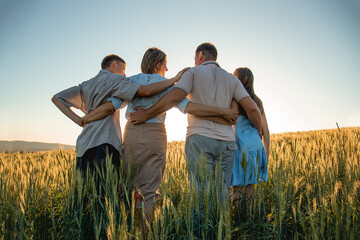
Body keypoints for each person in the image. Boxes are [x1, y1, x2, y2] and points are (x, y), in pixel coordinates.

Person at [83, 47, 238, 233]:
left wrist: (86, 119)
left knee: (132, 185)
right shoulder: (167, 84)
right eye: (165, 63)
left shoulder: (130, 81)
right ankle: (147, 233)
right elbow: (185, 106)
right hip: (155, 134)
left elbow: (113, 105)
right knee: (150, 189)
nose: (166, 68)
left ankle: (133, 232)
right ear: (157, 63)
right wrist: (222, 114)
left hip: (131, 132)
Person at [51, 54, 188, 238]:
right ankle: (140, 235)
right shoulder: (122, 81)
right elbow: (148, 94)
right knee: (136, 193)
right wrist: (174, 80)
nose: (124, 74)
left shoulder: (88, 84)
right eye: (123, 69)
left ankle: (92, 233)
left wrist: (81, 119)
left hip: (89, 143)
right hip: (117, 140)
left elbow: (109, 104)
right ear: (114, 64)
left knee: (100, 193)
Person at [130, 43, 262, 203]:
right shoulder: (232, 79)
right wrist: (259, 131)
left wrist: (146, 114)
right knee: (222, 195)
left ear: (200, 55)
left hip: (200, 139)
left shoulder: (192, 73)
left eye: (195, 57)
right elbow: (253, 110)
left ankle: (201, 228)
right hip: (227, 142)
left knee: (201, 197)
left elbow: (174, 98)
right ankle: (220, 227)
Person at [230, 67, 270, 213]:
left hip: (240, 147)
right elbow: (266, 131)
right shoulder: (257, 101)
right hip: (255, 147)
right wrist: (266, 154)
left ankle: (238, 221)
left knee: (237, 188)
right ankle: (250, 220)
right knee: (250, 188)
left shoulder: (234, 99)